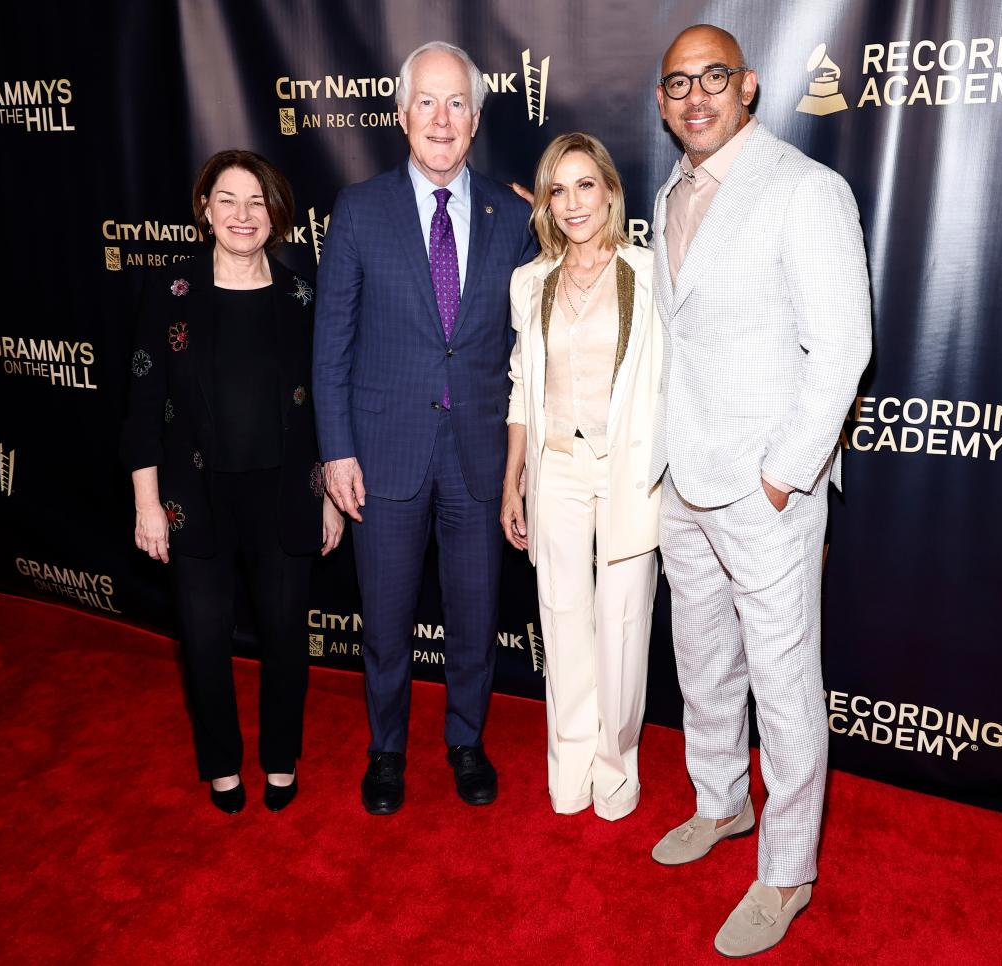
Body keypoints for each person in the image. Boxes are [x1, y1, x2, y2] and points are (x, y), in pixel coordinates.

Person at [647, 25, 872, 957]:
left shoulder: (808, 191)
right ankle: (720, 803)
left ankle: (786, 873)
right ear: (662, 103)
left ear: (747, 86)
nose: (694, 97)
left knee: (782, 686)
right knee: (700, 663)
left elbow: (844, 348)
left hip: (763, 488)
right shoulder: (669, 191)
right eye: (676, 84)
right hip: (680, 477)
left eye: (712, 79)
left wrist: (784, 476)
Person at [313, 42, 536, 814]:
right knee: (384, 620)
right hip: (385, 455)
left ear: (475, 121)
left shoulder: (513, 218)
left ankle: (466, 741)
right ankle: (386, 750)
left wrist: (524, 460)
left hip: (478, 458)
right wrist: (335, 451)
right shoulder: (358, 209)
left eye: (457, 105)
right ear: (402, 114)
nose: (442, 120)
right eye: (427, 103)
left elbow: (530, 347)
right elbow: (330, 343)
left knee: (476, 616)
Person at [122, 149, 344, 815]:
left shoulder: (304, 293)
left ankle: (281, 759)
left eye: (256, 202)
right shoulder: (170, 293)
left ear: (276, 214)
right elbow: (141, 403)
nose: (242, 215)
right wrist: (147, 504)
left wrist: (332, 498)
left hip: (286, 493)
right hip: (194, 499)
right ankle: (221, 765)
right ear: (205, 210)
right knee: (204, 641)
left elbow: (329, 398)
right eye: (227, 200)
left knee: (284, 640)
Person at [500, 133, 662, 821]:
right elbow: (520, 384)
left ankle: (615, 770)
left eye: (585, 185)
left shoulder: (653, 272)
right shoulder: (529, 281)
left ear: (610, 190)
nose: (572, 202)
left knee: (621, 625)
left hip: (630, 471)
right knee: (562, 619)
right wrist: (515, 479)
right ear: (545, 201)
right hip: (556, 468)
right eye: (558, 189)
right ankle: (568, 769)